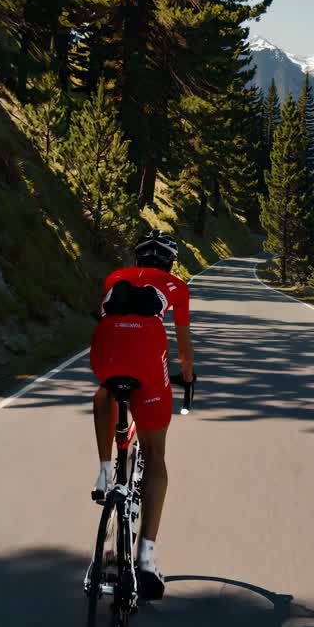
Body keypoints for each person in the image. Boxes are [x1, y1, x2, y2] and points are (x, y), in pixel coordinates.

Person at [89, 230, 194, 600]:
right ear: (170, 262)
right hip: (147, 352)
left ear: (137, 259)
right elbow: (183, 348)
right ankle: (146, 558)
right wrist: (188, 375)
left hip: (105, 348)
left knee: (107, 391)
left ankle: (105, 473)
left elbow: (106, 314)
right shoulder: (177, 287)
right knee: (155, 453)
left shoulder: (114, 278)